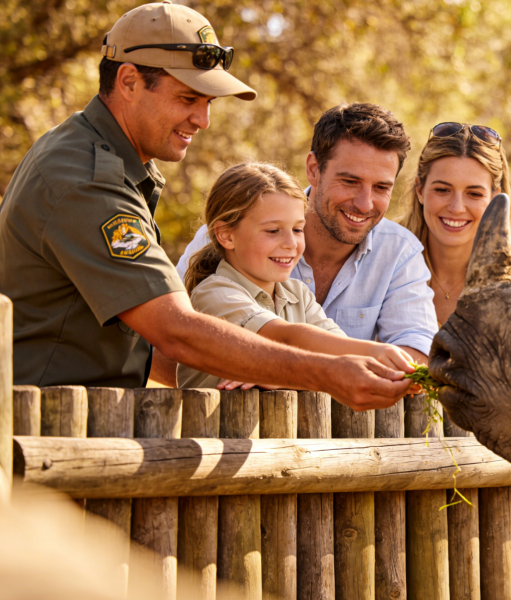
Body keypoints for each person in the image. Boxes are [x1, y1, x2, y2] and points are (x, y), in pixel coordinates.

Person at [0, 2, 414, 411]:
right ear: (128, 81)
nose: (203, 120)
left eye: (209, 102)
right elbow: (175, 331)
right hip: (38, 429)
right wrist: (325, 374)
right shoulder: (87, 177)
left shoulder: (104, 158)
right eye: (187, 98)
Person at [175, 103, 438, 382]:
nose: (365, 203)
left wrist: (279, 374)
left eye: (381, 187)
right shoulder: (218, 276)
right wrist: (293, 372)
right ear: (314, 169)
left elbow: (412, 349)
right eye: (350, 181)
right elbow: (289, 337)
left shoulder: (298, 291)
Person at [178, 161, 415, 389]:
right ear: (226, 235)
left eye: (297, 229)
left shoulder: (297, 294)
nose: (291, 243)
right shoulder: (214, 293)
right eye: (273, 231)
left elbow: (338, 348)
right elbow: (284, 339)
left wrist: (283, 377)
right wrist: (376, 352)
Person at [398, 122, 511, 326]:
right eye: (442, 190)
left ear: (494, 198)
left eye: (474, 194)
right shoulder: (385, 260)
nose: (456, 208)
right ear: (420, 190)